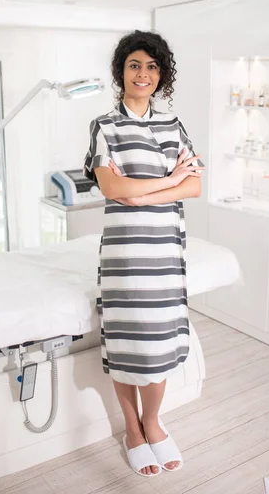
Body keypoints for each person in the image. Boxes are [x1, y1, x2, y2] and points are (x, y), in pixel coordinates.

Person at [83, 30, 204, 477]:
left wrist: (142, 193)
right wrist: (165, 182)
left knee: (159, 343)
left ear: (161, 75)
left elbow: (193, 185)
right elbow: (112, 188)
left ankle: (153, 421)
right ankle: (132, 428)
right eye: (135, 65)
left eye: (152, 67)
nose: (143, 74)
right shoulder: (104, 125)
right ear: (121, 71)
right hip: (125, 252)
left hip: (165, 250)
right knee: (128, 340)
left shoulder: (174, 125)